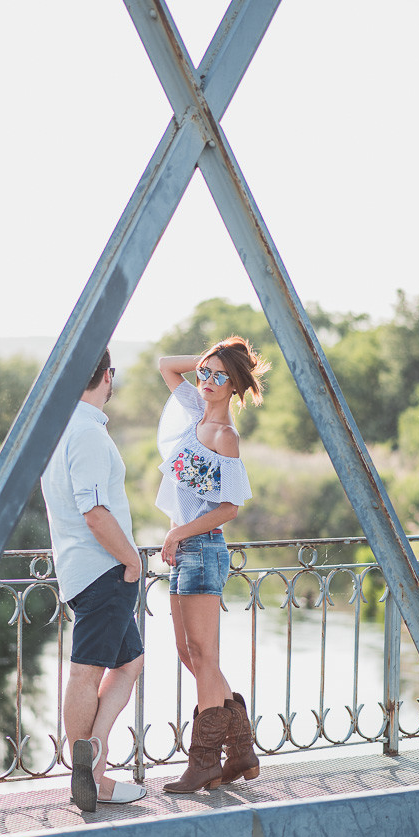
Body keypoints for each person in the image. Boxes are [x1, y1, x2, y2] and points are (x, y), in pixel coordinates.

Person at [156, 336, 270, 794]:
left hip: (202, 548)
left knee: (205, 657)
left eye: (220, 377)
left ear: (236, 387)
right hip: (184, 551)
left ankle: (203, 761)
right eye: (205, 372)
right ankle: (239, 745)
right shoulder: (192, 411)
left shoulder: (225, 437)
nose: (206, 380)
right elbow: (166, 365)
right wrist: (217, 354)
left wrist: (177, 532)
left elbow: (229, 508)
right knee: (189, 654)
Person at [41, 349, 146, 812]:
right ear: (108, 375)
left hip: (84, 569)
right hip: (104, 569)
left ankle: (93, 758)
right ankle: (88, 776)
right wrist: (132, 562)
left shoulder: (60, 430)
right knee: (87, 672)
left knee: (130, 664)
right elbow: (94, 512)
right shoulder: (85, 434)